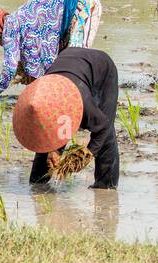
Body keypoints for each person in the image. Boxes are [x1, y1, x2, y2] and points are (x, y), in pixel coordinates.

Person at [0, 0, 103, 109]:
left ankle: (87, 106)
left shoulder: (9, 31)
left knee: (77, 60)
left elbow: (9, 69)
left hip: (81, 3)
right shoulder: (18, 21)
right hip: (76, 0)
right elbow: (39, 58)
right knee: (69, 62)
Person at [14, 47, 120, 190]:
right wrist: (53, 150)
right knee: (45, 142)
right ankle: (38, 183)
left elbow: (103, 127)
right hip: (68, 64)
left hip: (102, 69)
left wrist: (86, 154)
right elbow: (47, 130)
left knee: (106, 135)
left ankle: (105, 185)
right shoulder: (40, 95)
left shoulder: (82, 101)